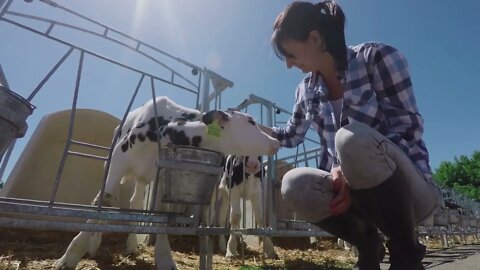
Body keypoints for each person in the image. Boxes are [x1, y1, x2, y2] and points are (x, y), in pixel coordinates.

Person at [263, 1, 442, 270]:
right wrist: (247, 125)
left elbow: (408, 129)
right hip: (354, 201)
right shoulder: (305, 90)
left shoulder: (376, 58)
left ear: (314, 38)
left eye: (290, 54)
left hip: (408, 194)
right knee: (293, 184)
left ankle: (406, 253)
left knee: (349, 139)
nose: (289, 65)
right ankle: (368, 244)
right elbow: (289, 136)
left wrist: (344, 167)